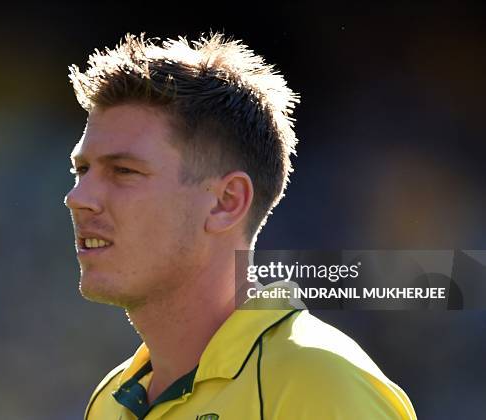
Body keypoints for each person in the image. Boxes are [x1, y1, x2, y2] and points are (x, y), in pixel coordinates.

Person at [64, 33, 417, 420]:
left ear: (226, 202)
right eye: (81, 169)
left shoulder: (321, 384)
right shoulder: (110, 399)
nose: (78, 197)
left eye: (124, 171)